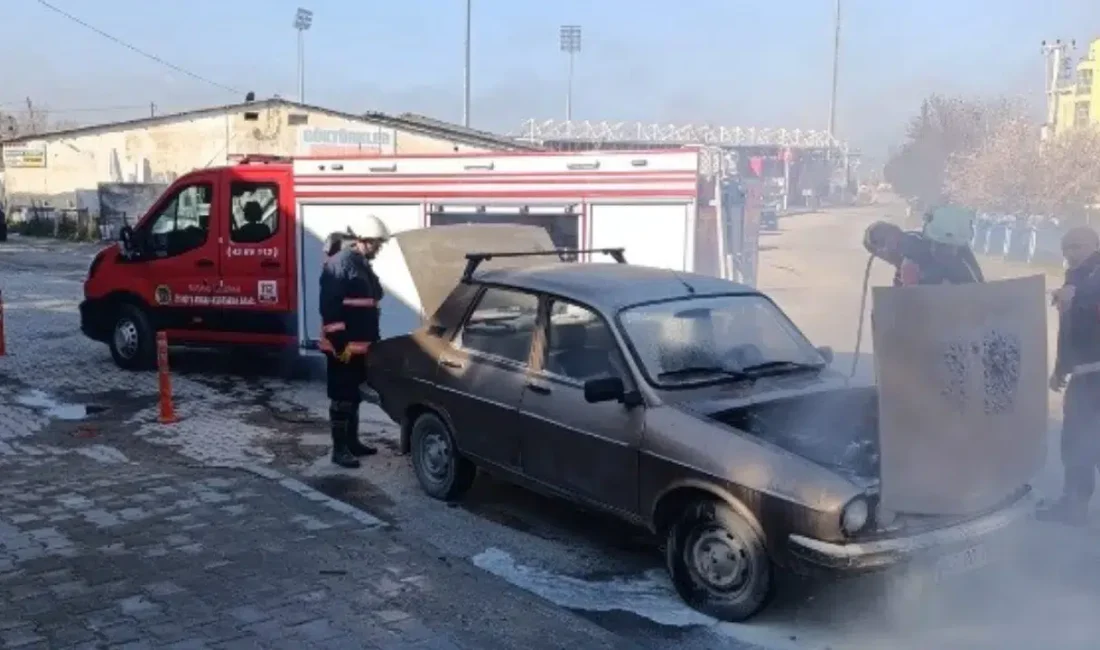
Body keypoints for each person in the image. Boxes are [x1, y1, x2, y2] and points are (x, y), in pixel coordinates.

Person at [1038, 226, 1100, 526]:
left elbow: (1090, 300)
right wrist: (1060, 368)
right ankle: (1073, 506)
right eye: (1066, 247)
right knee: (1076, 444)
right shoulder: (1073, 277)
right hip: (1082, 376)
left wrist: (1078, 296)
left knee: (1087, 442)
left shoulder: (1091, 278)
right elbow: (1068, 331)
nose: (1070, 252)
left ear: (1094, 245)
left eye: (1077, 246)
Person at [319, 215, 390, 468]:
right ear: (364, 240)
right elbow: (329, 308)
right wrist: (340, 344)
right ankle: (339, 450)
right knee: (342, 397)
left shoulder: (360, 264)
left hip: (360, 346)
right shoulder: (340, 264)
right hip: (343, 348)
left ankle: (353, 442)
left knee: (354, 395)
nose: (379, 249)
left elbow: (374, 295)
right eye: (377, 244)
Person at [862, 205, 984, 286]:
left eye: (888, 236)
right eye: (881, 243)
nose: (889, 244)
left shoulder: (913, 245)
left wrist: (911, 264)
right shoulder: (901, 271)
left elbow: (917, 250)